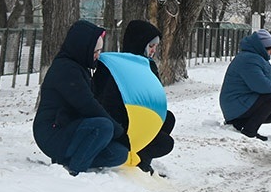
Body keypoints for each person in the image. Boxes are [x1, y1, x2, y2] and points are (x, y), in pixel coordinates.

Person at [32, 20, 129, 176]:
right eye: (95, 51)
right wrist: (117, 129)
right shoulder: (66, 69)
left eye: (100, 50)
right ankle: (76, 170)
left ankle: (67, 161)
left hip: (74, 129)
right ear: (83, 48)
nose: (98, 55)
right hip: (53, 132)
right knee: (103, 127)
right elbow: (87, 105)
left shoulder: (81, 67)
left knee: (119, 153)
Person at [92, 20, 175, 174]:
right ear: (140, 43)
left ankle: (143, 160)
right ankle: (136, 160)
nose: (154, 51)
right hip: (123, 125)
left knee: (168, 119)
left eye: (155, 46)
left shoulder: (148, 65)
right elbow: (107, 102)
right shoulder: (114, 66)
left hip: (142, 121)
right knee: (165, 143)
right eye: (151, 46)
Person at [219, 29, 271, 140]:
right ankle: (249, 131)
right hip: (235, 105)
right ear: (263, 48)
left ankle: (241, 124)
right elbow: (261, 86)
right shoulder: (249, 60)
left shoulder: (253, 57)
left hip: (240, 102)